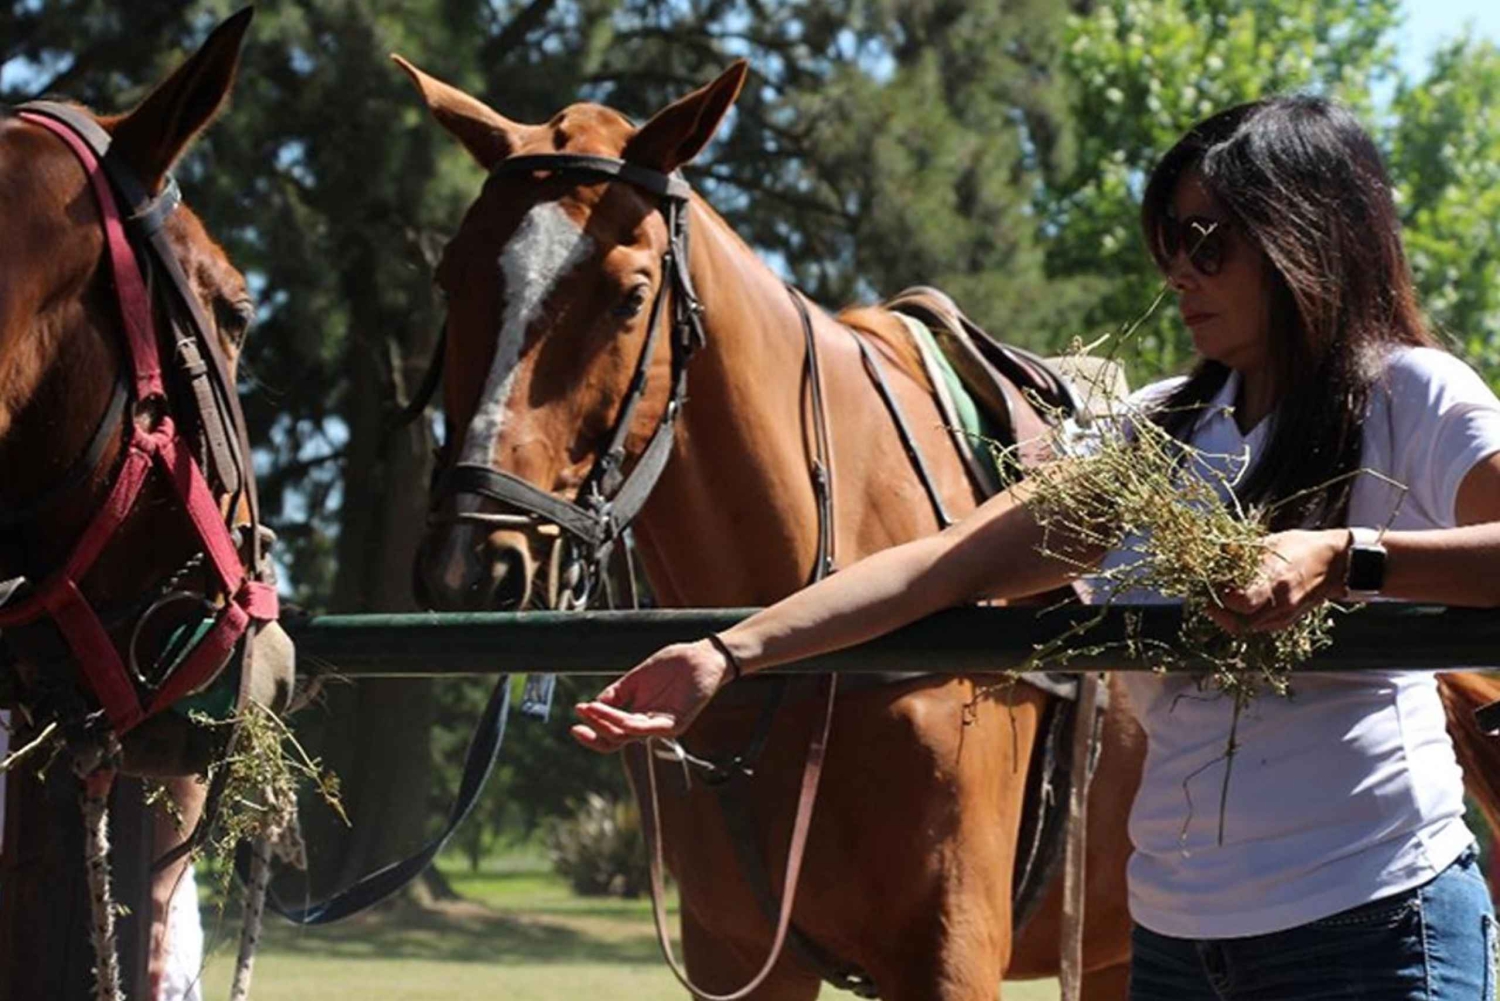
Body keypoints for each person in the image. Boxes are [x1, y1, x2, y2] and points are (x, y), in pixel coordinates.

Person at [571, 95, 1500, 999]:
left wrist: (1347, 557)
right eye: (1168, 242)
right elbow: (945, 565)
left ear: (1310, 235)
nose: (1178, 272)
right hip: (1178, 945)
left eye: (1208, 242)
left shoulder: (1408, 395)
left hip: (1373, 926)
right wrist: (728, 653)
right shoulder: (1156, 437)